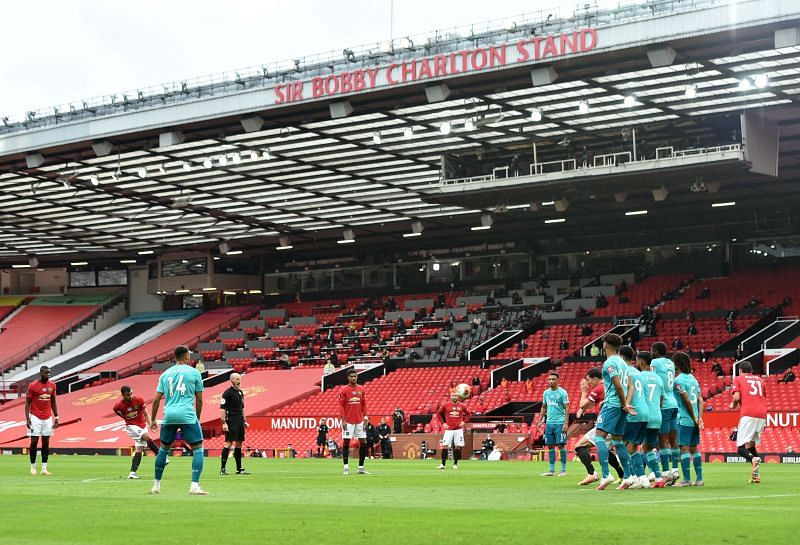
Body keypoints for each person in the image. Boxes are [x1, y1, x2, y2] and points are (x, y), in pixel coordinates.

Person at [149, 345, 208, 495]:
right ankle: (194, 486)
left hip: (168, 414)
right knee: (198, 448)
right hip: (187, 414)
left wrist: (153, 419)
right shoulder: (194, 373)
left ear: (175, 357)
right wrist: (198, 418)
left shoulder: (165, 374)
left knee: (163, 449)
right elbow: (199, 400)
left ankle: (156, 486)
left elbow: (156, 400)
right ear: (187, 356)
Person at [574, 368, 625, 485]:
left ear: (596, 379)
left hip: (605, 423)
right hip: (616, 422)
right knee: (606, 449)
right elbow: (591, 405)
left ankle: (592, 474)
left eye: (588, 380)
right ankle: (623, 475)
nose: (588, 383)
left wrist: (584, 392)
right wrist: (583, 409)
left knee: (579, 446)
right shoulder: (608, 387)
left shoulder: (599, 388)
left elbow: (583, 404)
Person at [594, 334, 633, 490]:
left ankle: (606, 475)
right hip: (620, 406)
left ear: (605, 345)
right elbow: (628, 385)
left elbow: (617, 385)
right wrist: (626, 404)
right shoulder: (623, 363)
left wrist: (624, 403)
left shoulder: (609, 363)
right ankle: (628, 477)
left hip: (613, 405)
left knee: (599, 438)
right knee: (617, 441)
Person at [730, 360, 767, 483]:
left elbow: (736, 397)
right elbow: (762, 396)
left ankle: (753, 460)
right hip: (762, 414)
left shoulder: (739, 378)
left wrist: (733, 405)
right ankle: (756, 475)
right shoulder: (760, 380)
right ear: (751, 371)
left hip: (748, 414)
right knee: (750, 445)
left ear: (740, 371)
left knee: (740, 448)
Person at [113, 385, 159, 479]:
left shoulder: (138, 400)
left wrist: (150, 425)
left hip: (142, 425)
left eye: (130, 394)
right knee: (147, 437)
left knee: (139, 450)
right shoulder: (118, 405)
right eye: (127, 395)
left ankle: (132, 473)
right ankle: (161, 456)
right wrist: (125, 417)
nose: (129, 396)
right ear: (122, 395)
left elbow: (146, 414)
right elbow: (116, 411)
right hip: (131, 427)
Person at [673, 351, 704, 486]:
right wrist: (699, 418)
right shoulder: (693, 379)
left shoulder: (678, 380)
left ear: (678, 364)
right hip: (695, 419)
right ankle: (699, 479)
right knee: (694, 449)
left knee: (684, 448)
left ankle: (686, 480)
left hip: (684, 418)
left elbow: (686, 400)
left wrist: (692, 416)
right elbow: (700, 400)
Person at [651, 342, 680, 483]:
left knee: (663, 441)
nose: (651, 353)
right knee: (673, 440)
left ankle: (665, 472)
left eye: (652, 350)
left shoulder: (655, 362)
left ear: (656, 351)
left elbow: (652, 379)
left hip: (664, 405)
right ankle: (675, 470)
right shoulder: (670, 363)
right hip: (674, 403)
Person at [637, 351, 666, 487]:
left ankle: (636, 477)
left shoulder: (639, 377)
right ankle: (658, 477)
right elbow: (661, 400)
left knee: (631, 446)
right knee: (648, 448)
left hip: (645, 416)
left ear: (641, 362)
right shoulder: (658, 378)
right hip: (657, 416)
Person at [25, 366, 58, 476]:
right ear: (40, 373)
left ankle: (44, 468)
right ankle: (33, 467)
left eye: (49, 373)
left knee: (46, 443)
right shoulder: (33, 386)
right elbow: (27, 402)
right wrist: (27, 418)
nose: (48, 375)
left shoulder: (52, 385)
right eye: (45, 373)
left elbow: (53, 402)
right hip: (35, 417)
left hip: (48, 418)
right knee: (34, 442)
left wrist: (56, 417)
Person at [537, 372, 570, 477]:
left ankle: (563, 470)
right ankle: (551, 470)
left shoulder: (563, 393)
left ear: (558, 380)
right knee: (550, 446)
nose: (551, 381)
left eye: (553, 379)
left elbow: (567, 408)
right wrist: (540, 420)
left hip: (560, 422)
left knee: (561, 445)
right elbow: (543, 407)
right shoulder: (546, 393)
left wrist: (566, 423)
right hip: (549, 423)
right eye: (549, 379)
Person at [338, 369, 369, 475]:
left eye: (355, 376)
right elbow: (341, 406)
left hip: (359, 421)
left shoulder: (361, 389)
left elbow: (364, 404)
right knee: (346, 442)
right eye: (351, 376)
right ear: (348, 378)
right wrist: (343, 420)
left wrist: (365, 417)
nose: (353, 378)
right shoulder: (343, 390)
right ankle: (346, 467)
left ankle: (361, 467)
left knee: (363, 443)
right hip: (348, 421)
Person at [219, 373, 250, 475]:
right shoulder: (227, 393)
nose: (239, 381)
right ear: (232, 380)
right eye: (237, 379)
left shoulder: (240, 392)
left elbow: (242, 408)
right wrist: (224, 423)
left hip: (239, 420)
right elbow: (222, 409)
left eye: (239, 379)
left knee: (239, 443)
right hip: (231, 420)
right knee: (229, 443)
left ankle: (239, 468)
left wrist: (245, 420)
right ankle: (222, 469)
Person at [437, 392, 470, 470]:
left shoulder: (462, 406)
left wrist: (464, 422)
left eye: (455, 395)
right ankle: (443, 464)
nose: (454, 397)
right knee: (445, 445)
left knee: (457, 446)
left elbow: (469, 414)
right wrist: (443, 423)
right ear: (450, 396)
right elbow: (438, 413)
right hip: (448, 429)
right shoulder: (446, 405)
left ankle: (455, 464)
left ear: (457, 396)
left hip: (458, 429)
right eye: (453, 395)